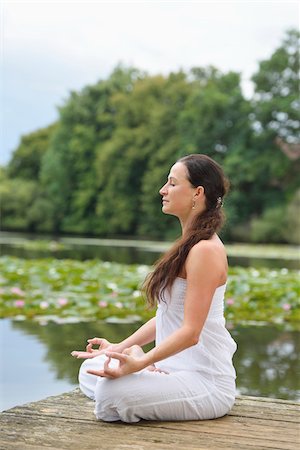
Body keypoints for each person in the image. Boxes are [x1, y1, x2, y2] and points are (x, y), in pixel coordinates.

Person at [71, 154, 237, 423]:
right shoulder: (188, 245)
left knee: (110, 393)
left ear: (197, 193)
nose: (163, 190)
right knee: (92, 368)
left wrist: (142, 361)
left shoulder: (206, 251)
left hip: (205, 383)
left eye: (172, 183)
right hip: (169, 369)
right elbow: (165, 317)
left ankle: (145, 377)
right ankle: (148, 377)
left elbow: (191, 333)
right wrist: (118, 347)